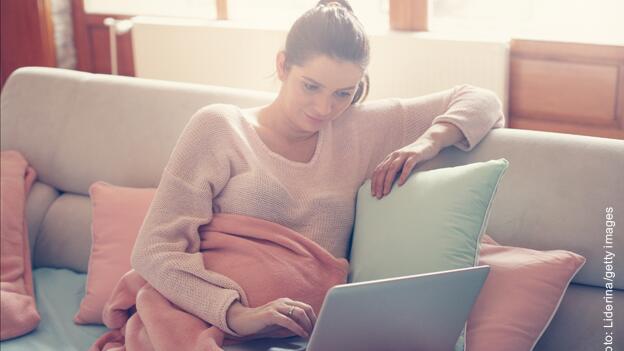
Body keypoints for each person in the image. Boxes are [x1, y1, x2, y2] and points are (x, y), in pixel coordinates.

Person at [130, 0, 504, 344]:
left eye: (344, 92)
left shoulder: (358, 129)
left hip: (311, 335)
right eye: (311, 86)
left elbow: (482, 99)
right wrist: (237, 314)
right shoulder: (220, 126)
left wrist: (426, 143)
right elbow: (154, 249)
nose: (325, 107)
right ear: (282, 65)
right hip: (207, 320)